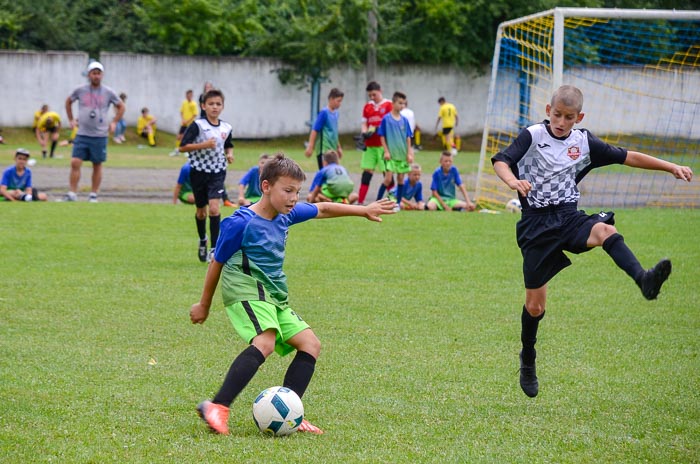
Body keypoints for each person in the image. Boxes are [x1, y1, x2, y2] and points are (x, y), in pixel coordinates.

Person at [491, 84, 694, 398]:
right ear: (548, 111)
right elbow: (502, 160)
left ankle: (644, 280)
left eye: (568, 116)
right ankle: (528, 358)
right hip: (536, 227)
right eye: (557, 114)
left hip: (569, 217)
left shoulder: (583, 142)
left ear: (579, 117)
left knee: (605, 231)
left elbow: (628, 157)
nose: (561, 121)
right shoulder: (533, 135)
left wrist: (670, 167)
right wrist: (512, 181)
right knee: (535, 307)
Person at [190, 153, 396, 436]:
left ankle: (290, 414)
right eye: (287, 190)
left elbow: (321, 208)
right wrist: (204, 304)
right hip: (245, 289)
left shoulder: (287, 214)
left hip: (273, 293)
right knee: (265, 341)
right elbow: (217, 263)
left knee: (310, 344)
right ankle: (218, 406)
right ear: (266, 186)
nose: (292, 198)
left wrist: (364, 210)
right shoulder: (240, 223)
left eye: (297, 192)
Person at [179, 88, 234, 262]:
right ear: (203, 106)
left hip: (217, 172)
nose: (215, 107)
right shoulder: (198, 125)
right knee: (201, 212)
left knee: (215, 208)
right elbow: (182, 147)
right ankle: (203, 239)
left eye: (218, 104)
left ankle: (214, 249)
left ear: (223, 107)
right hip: (198, 172)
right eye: (211, 104)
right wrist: (203, 145)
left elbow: (228, 144)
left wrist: (230, 153)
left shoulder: (226, 127)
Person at [63, 61, 125, 202]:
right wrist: (71, 119)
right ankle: (72, 193)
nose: (96, 76)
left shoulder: (108, 92)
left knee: (97, 163)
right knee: (75, 162)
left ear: (102, 75)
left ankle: (93, 194)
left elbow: (121, 106)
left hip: (99, 134)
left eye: (98, 73)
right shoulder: (81, 90)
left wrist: (114, 121)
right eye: (93, 73)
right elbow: (68, 101)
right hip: (82, 133)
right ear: (89, 75)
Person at [357, 81, 394, 205]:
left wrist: (379, 129)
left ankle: (394, 201)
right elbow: (364, 123)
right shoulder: (367, 106)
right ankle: (360, 202)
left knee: (387, 175)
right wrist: (364, 133)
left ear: (380, 91)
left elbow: (392, 123)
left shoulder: (389, 105)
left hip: (384, 146)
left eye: (374, 94)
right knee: (367, 174)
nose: (372, 97)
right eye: (370, 95)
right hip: (370, 146)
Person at [377, 91, 414, 206]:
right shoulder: (386, 119)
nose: (402, 106)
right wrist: (386, 151)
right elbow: (382, 136)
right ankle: (377, 202)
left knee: (401, 179)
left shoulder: (404, 120)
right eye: (400, 103)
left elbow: (408, 137)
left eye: (404, 103)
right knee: (388, 179)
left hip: (402, 155)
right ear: (393, 103)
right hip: (391, 155)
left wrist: (409, 153)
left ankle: (397, 204)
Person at [304, 88, 344, 170]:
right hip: (324, 151)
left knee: (333, 174)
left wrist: (338, 147)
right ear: (331, 99)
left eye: (341, 101)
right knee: (325, 174)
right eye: (338, 101)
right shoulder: (324, 113)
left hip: (333, 151)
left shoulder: (336, 114)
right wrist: (310, 146)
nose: (340, 104)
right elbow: (315, 129)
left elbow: (334, 132)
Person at [172, 89, 199, 156]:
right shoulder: (184, 103)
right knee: (179, 136)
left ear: (192, 95)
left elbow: (195, 114)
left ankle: (188, 151)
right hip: (184, 123)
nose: (188, 96)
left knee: (188, 137)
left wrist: (187, 121)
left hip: (190, 124)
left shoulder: (194, 104)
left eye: (190, 95)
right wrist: (183, 120)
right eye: (187, 95)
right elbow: (181, 112)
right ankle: (177, 150)